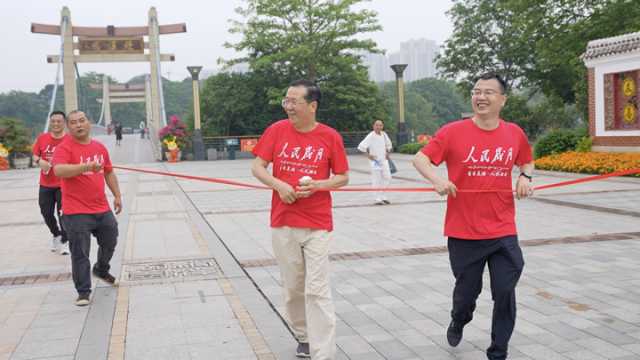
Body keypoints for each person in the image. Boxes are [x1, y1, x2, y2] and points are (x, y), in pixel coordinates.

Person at [412, 72, 534, 360]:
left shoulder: (514, 133)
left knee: (505, 290)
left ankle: (498, 351)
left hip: (503, 229)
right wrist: (437, 180)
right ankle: (459, 318)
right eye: (477, 91)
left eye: (489, 92)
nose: (481, 97)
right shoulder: (453, 131)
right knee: (467, 293)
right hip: (463, 231)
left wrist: (525, 176)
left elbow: (526, 158)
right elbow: (420, 158)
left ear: (503, 100)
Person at [251, 80, 349, 360]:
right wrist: (279, 185)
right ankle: (304, 337)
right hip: (283, 221)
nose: (289, 107)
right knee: (293, 288)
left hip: (318, 223)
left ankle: (323, 352)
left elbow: (343, 177)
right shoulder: (276, 130)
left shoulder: (330, 137)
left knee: (317, 289)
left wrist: (318, 185)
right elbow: (257, 166)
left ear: (312, 105)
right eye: (286, 101)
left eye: (294, 102)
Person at [52, 110, 122, 306]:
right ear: (68, 127)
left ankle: (101, 268)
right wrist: (86, 167)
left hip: (101, 207)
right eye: (73, 122)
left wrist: (117, 195)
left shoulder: (99, 147)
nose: (78, 125)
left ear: (89, 123)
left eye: (82, 121)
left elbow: (108, 172)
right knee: (80, 252)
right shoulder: (65, 147)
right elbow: (59, 170)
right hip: (76, 211)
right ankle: (83, 291)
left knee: (111, 239)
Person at [32, 111, 69, 254]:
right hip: (45, 184)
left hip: (63, 184)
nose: (55, 124)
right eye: (53, 121)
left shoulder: (69, 140)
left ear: (64, 123)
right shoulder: (42, 138)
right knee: (46, 212)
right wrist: (39, 161)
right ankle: (56, 234)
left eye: (59, 121)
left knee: (63, 214)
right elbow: (35, 155)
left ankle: (65, 241)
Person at [357, 119, 393, 205]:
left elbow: (389, 145)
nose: (378, 127)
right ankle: (377, 198)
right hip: (375, 161)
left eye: (380, 125)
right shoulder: (371, 136)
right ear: (373, 126)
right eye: (377, 125)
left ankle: (383, 196)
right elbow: (361, 147)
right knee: (376, 179)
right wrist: (369, 155)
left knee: (388, 177)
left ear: (382, 126)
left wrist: (388, 152)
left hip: (384, 160)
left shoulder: (384, 134)